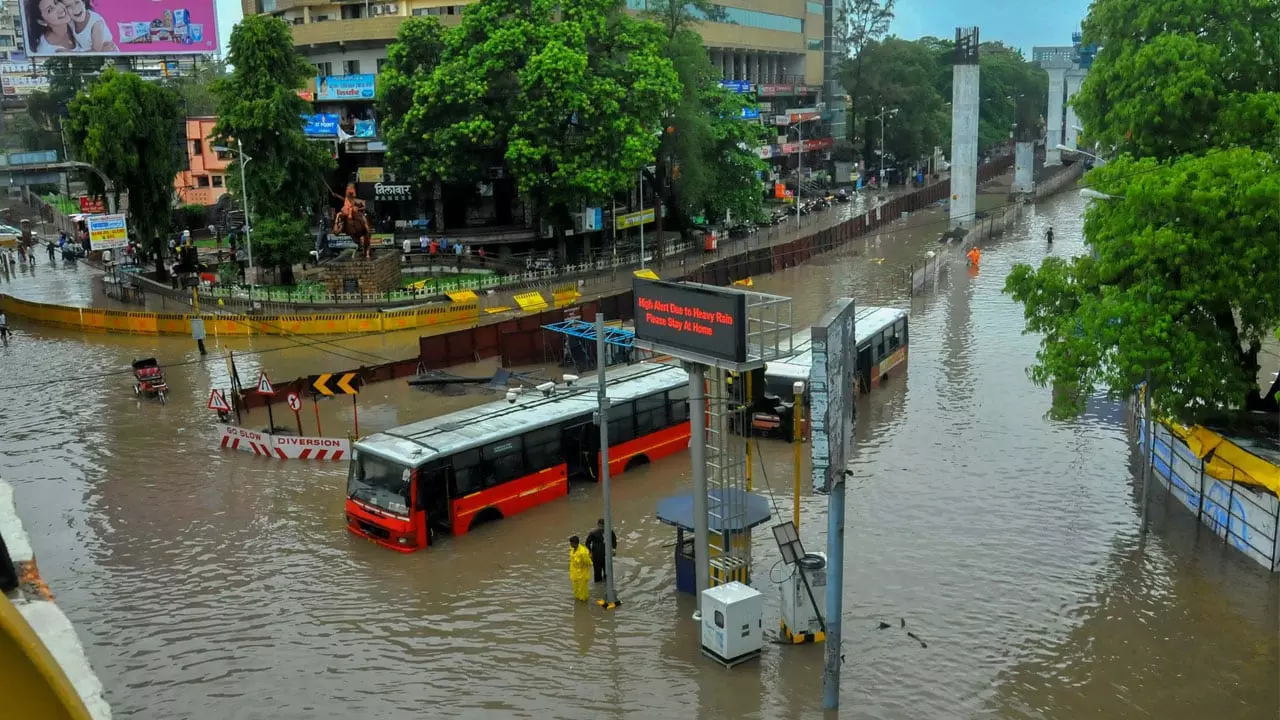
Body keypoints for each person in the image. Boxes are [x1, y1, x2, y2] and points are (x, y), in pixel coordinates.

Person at [584, 519, 617, 583]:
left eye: (602, 526)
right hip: (596, 557)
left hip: (607, 556)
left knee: (607, 574)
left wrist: (614, 549)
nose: (601, 528)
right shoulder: (593, 533)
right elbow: (587, 543)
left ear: (605, 525)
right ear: (598, 525)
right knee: (597, 574)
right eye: (600, 526)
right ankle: (598, 589)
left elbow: (614, 541)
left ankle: (607, 586)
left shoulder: (610, 532)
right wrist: (590, 552)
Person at [568, 535, 592, 602]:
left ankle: (584, 603)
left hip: (582, 574)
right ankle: (577, 601)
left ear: (575, 543)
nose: (570, 544)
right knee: (576, 590)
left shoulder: (583, 552)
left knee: (583, 591)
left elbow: (588, 562)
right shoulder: (573, 549)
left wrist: (587, 567)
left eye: (571, 543)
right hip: (575, 574)